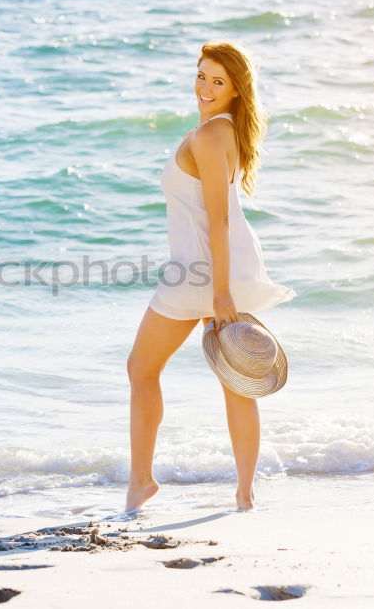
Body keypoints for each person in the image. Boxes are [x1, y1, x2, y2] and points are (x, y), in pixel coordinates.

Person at [125, 40, 296, 512]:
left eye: (217, 81)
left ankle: (140, 482)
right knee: (235, 380)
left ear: (237, 90)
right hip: (221, 269)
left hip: (200, 274)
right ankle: (244, 495)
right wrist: (223, 288)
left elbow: (218, 219)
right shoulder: (225, 133)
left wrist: (219, 294)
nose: (204, 86)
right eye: (201, 75)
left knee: (141, 368)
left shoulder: (207, 137)